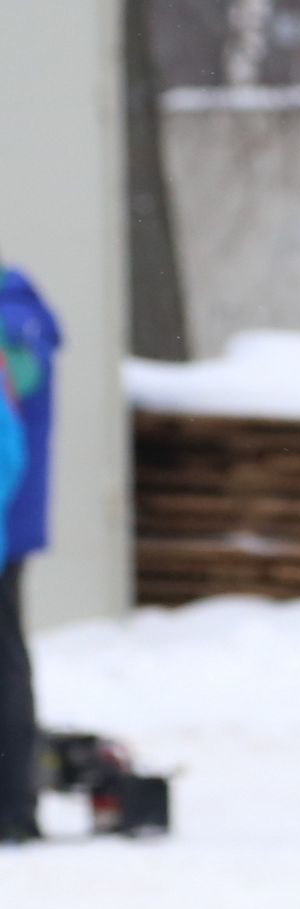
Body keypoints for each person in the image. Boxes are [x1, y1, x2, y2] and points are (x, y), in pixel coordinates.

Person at [0, 264, 59, 844]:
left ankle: (14, 807)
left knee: (6, 668)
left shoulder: (10, 323)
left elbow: (4, 443)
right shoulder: (20, 317)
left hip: (4, 525)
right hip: (12, 522)